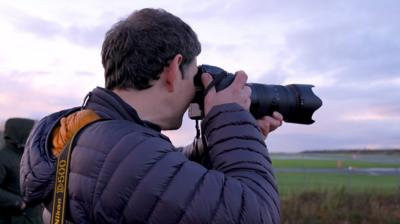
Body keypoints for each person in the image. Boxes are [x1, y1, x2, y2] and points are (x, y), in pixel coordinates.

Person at [20, 8, 283, 224]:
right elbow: (258, 215)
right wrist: (231, 121)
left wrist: (229, 141)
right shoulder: (120, 151)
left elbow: (156, 171)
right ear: (173, 69)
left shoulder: (83, 131)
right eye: (194, 76)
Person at [0, 118, 42, 224]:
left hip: (33, 217)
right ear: (20, 134)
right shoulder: (2, 158)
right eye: (30, 133)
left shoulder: (28, 157)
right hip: (13, 218)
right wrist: (18, 202)